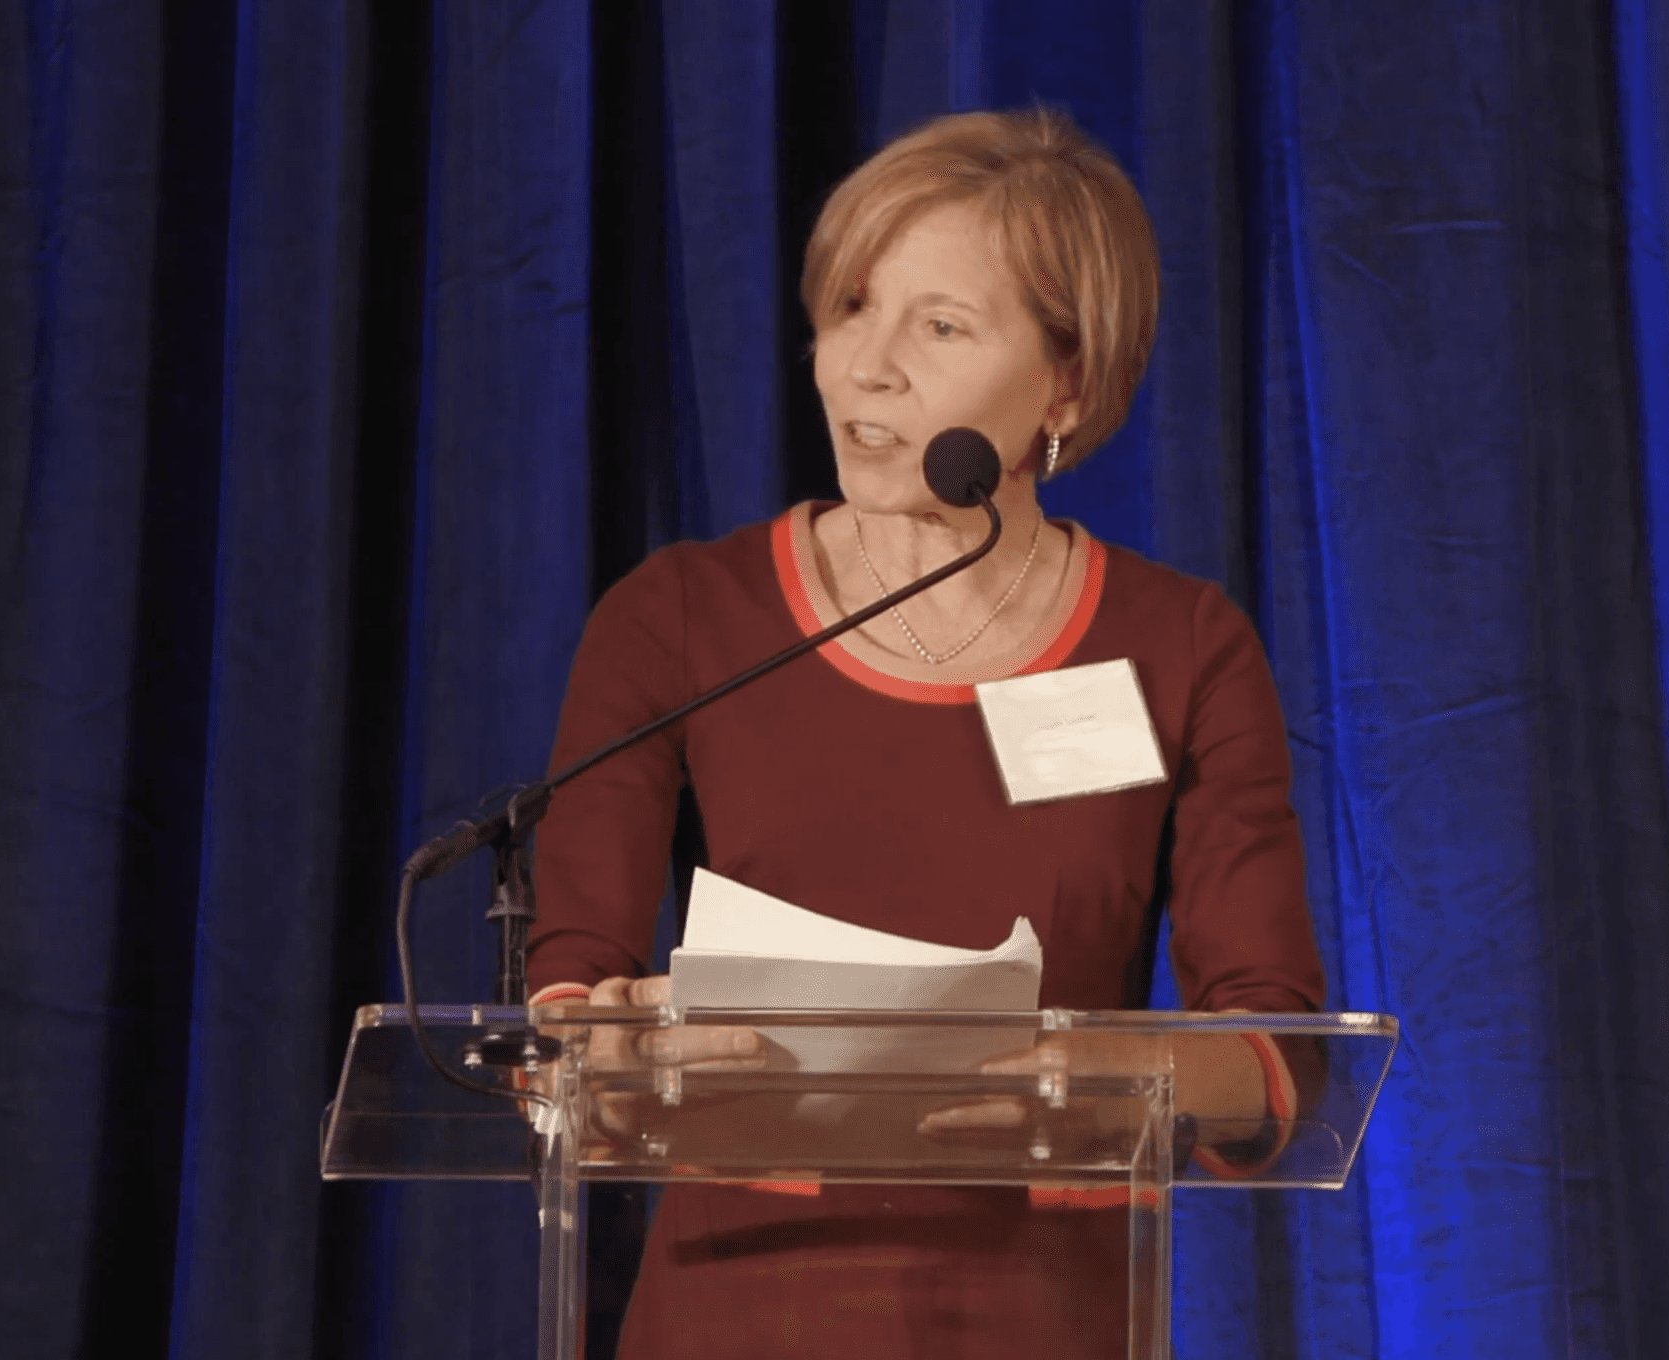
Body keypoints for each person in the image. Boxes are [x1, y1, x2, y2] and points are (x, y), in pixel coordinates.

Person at [524, 107, 1325, 1359]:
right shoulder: (682, 617)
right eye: (852, 307)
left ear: (1069, 380)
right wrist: (611, 1049)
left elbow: (1275, 1058)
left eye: (940, 326)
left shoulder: (1181, 646)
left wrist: (1088, 1072)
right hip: (739, 1313)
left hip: (1050, 1318)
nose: (867, 367)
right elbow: (571, 993)